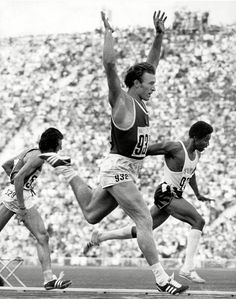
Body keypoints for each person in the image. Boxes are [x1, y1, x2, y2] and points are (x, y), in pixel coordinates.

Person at [40, 10, 188, 295]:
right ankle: (161, 279)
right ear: (135, 84)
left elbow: (151, 65)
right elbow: (109, 63)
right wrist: (108, 32)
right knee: (144, 219)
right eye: (150, 85)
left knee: (92, 214)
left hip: (123, 168)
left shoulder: (142, 99)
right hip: (119, 167)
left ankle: (68, 169)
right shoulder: (121, 102)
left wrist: (159, 35)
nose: (154, 89)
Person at [83, 121, 214, 283]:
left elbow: (191, 172)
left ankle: (101, 237)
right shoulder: (174, 148)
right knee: (198, 221)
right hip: (166, 194)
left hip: (176, 196)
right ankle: (188, 267)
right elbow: (144, 151)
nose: (208, 144)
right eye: (206, 140)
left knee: (143, 229)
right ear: (195, 137)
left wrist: (198, 193)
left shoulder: (197, 154)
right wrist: (121, 156)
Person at [0, 128, 72, 290]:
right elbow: (18, 178)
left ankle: (49, 278)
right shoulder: (39, 157)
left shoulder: (30, 151)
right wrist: (21, 206)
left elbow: (7, 166)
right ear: (53, 144)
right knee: (42, 236)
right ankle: (48, 278)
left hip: (14, 193)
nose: (60, 148)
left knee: (43, 236)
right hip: (21, 197)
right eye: (59, 145)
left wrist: (16, 185)